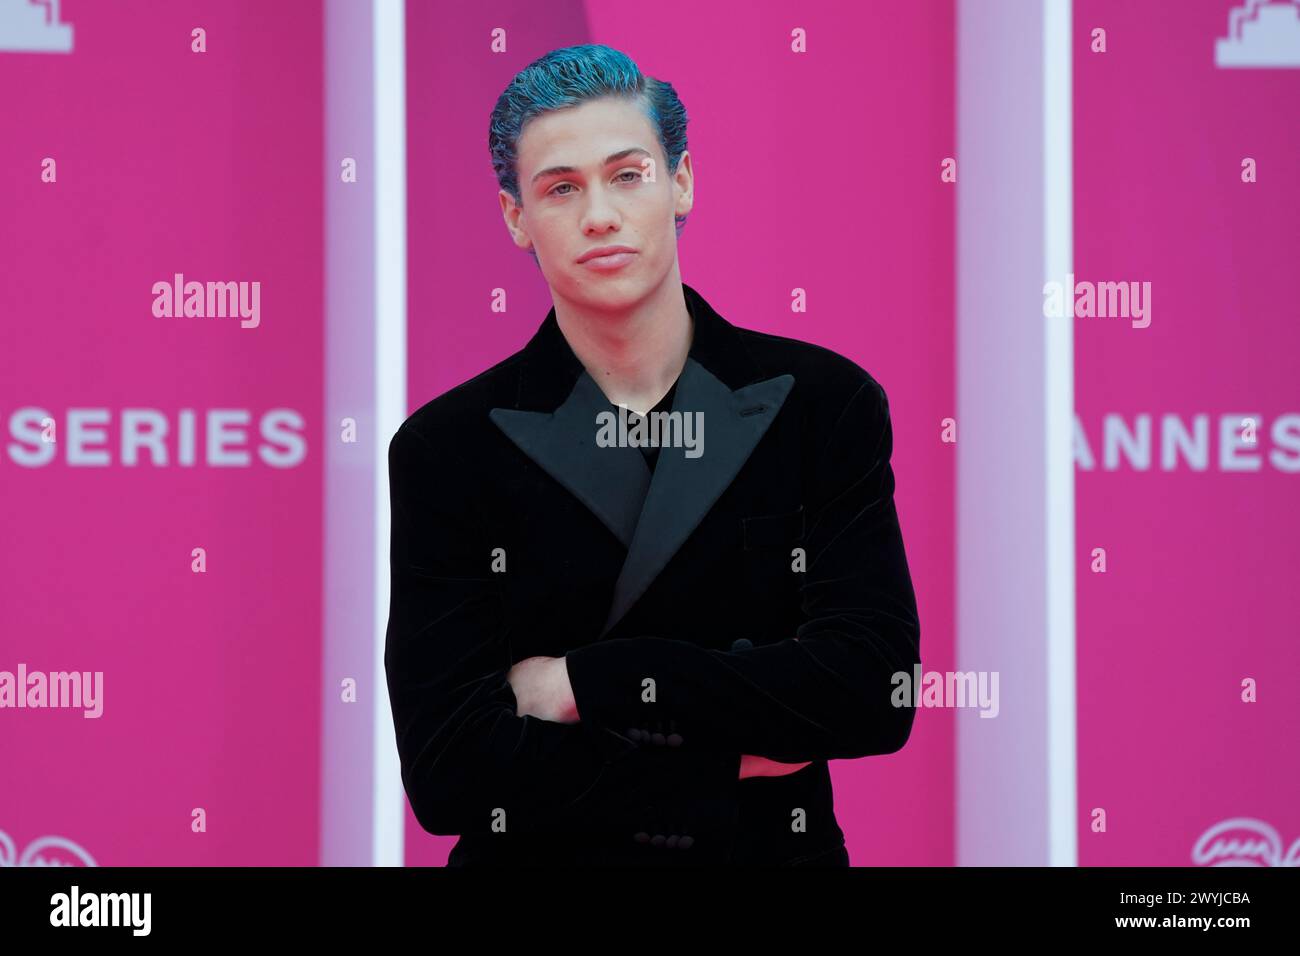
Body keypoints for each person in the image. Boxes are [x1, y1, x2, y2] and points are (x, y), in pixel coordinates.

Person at [384, 43, 921, 867]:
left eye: (627, 174)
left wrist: (582, 685)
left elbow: (869, 694)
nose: (599, 214)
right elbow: (449, 773)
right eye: (561, 188)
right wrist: (736, 750)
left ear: (681, 183)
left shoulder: (824, 402)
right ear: (515, 217)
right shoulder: (446, 448)